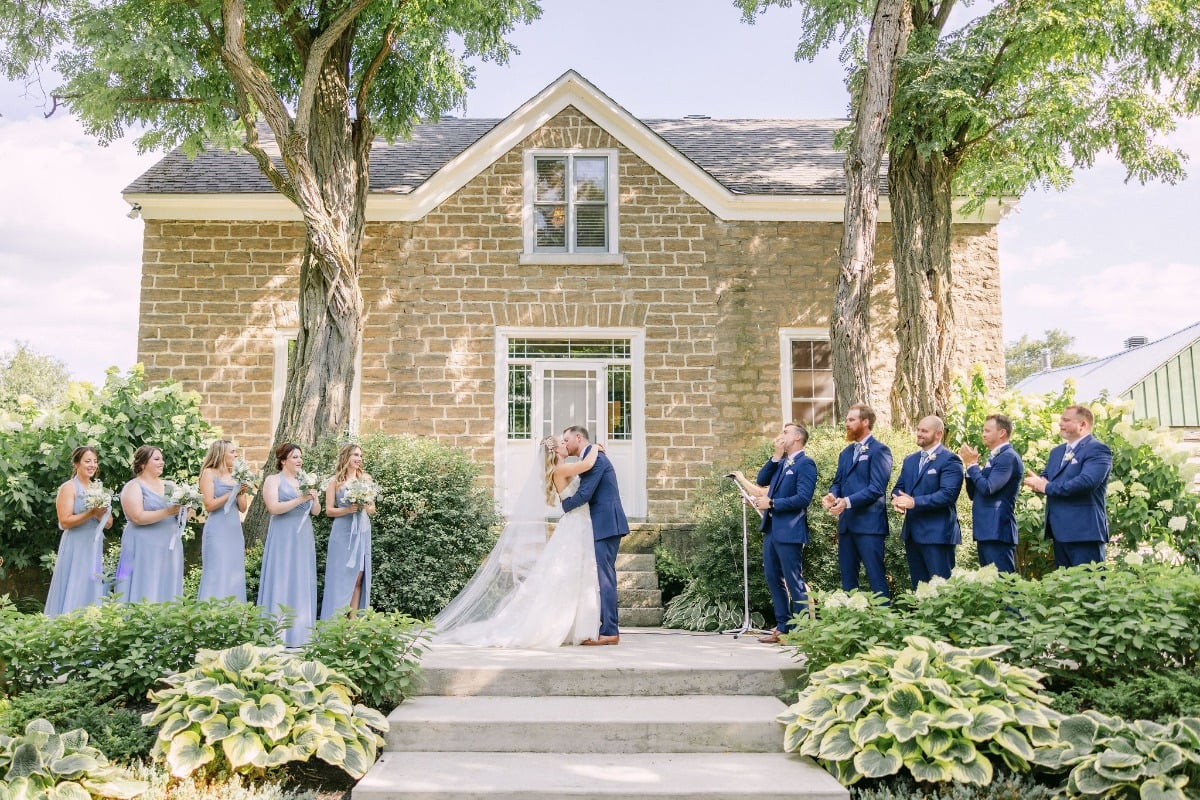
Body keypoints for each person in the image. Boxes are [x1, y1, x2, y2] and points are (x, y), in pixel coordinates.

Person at [434, 436, 601, 648]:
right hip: (575, 526)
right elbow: (587, 464)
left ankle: (575, 626)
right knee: (568, 574)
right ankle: (564, 627)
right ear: (557, 451)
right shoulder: (560, 470)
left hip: (580, 525)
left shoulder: (563, 468)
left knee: (573, 574)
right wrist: (595, 446)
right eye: (562, 443)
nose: (566, 444)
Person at [740, 423, 818, 644]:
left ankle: (802, 630)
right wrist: (776, 454)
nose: (781, 435)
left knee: (794, 580)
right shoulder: (782, 462)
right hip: (772, 530)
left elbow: (803, 499)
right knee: (773, 578)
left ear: (797, 438)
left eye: (786, 432)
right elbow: (762, 480)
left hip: (791, 530)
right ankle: (783, 627)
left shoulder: (806, 464)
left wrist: (771, 502)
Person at [560, 425, 630, 646]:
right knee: (601, 577)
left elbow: (584, 494)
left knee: (605, 578)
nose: (565, 444)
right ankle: (605, 626)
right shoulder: (591, 456)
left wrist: (565, 505)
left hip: (607, 524)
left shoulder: (596, 459)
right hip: (601, 524)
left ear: (578, 438)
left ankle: (610, 631)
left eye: (567, 440)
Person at [1023, 404, 1113, 568]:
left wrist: (1046, 487)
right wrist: (1037, 481)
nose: (1060, 424)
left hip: (1085, 532)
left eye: (1066, 420)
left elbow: (1087, 482)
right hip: (1059, 531)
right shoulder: (1057, 452)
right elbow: (1048, 477)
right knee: (1065, 588)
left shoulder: (1098, 450)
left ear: (1083, 424)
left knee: (1088, 586)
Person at [822, 404, 893, 598]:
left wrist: (847, 501)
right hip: (846, 526)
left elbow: (877, 488)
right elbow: (837, 483)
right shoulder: (845, 453)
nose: (847, 424)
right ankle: (851, 625)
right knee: (848, 581)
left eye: (851, 420)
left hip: (870, 526)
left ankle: (885, 624)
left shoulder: (880, 451)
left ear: (865, 422)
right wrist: (833, 496)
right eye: (846, 420)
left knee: (876, 578)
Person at [891, 416, 964, 590]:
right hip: (913, 533)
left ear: (938, 434)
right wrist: (897, 501)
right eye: (918, 430)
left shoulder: (950, 460)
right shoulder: (910, 460)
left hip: (938, 535)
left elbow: (948, 495)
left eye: (924, 431)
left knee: (942, 589)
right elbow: (899, 488)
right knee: (921, 590)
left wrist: (914, 502)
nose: (919, 434)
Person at [259, 442, 320, 647]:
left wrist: (314, 497)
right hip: (282, 535)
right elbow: (273, 508)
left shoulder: (304, 480)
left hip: (303, 535)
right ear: (283, 460)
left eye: (300, 457)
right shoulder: (273, 480)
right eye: (294, 457)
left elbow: (316, 511)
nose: (299, 460)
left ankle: (300, 634)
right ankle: (277, 633)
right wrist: (301, 498)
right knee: (282, 577)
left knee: (300, 578)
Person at [46, 446, 114, 616]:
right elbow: (65, 521)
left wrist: (99, 514)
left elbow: (109, 523)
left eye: (95, 461)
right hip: (75, 545)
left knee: (90, 585)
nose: (92, 465)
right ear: (76, 464)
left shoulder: (98, 489)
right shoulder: (69, 488)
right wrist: (90, 512)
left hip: (93, 545)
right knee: (74, 583)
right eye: (87, 461)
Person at [115, 445, 185, 603]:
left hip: (168, 546)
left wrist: (186, 508)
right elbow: (137, 517)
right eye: (157, 459)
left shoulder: (169, 486)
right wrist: (168, 512)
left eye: (162, 459)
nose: (162, 462)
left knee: (166, 585)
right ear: (143, 464)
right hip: (143, 546)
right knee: (145, 582)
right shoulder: (134, 486)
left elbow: (179, 512)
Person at [960, 414, 1023, 573]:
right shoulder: (994, 458)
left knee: (1004, 587)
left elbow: (988, 488)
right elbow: (974, 494)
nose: (983, 434)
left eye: (987, 430)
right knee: (990, 586)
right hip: (986, 530)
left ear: (1002, 433)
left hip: (998, 529)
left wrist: (973, 465)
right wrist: (970, 469)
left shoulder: (1008, 457)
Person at [321, 443, 377, 618]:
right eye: (355, 455)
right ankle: (335, 622)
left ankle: (352, 622)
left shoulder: (366, 479)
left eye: (360, 455)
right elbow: (329, 510)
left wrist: (363, 504)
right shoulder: (334, 481)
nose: (359, 459)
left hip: (361, 531)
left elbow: (372, 508)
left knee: (358, 578)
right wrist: (347, 510)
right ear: (346, 457)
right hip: (342, 532)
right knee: (339, 578)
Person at [197, 440, 250, 601]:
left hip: (233, 529)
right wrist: (232, 492)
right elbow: (209, 505)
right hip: (217, 528)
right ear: (221, 453)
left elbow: (242, 508)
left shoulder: (236, 475)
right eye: (232, 452)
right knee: (216, 569)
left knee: (234, 570)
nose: (236, 455)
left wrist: (241, 492)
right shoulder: (209, 473)